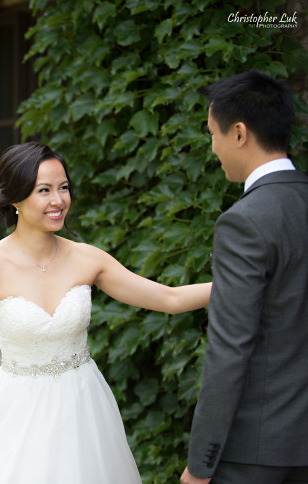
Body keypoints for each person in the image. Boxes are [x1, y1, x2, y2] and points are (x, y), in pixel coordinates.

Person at [0, 142, 212, 483]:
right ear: (15, 197)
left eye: (63, 188)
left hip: (82, 405)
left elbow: (169, 298)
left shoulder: (88, 259)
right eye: (44, 190)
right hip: (15, 408)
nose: (58, 201)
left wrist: (242, 286)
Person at [181, 71, 308, 484]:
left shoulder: (244, 222)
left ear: (239, 133)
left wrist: (201, 464)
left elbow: (229, 350)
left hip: (256, 452)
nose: (212, 147)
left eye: (212, 133)